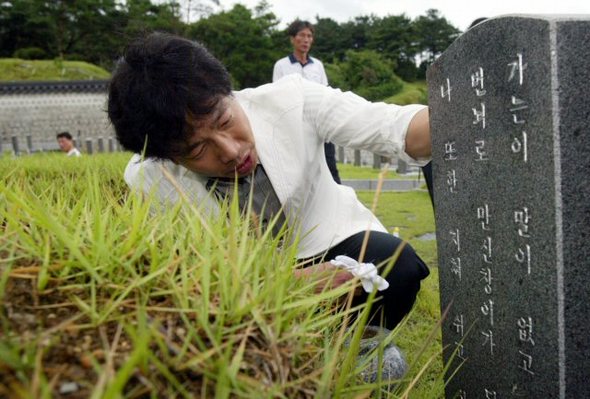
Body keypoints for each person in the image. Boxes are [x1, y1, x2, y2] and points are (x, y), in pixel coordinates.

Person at [108, 32, 431, 331]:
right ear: (167, 157)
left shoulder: (292, 100)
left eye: (224, 120)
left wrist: (466, 109)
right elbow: (181, 280)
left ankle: (359, 344)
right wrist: (285, 283)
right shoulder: (149, 180)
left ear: (230, 93)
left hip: (328, 241)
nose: (231, 151)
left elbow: (396, 127)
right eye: (197, 149)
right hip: (246, 279)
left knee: (394, 263)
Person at [273, 20, 341, 184]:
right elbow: (276, 96)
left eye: (309, 36)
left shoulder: (317, 65)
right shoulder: (282, 65)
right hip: (294, 125)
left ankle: (340, 204)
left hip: (319, 124)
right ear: (292, 38)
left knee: (330, 166)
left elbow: (326, 93)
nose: (306, 40)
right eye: (302, 35)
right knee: (296, 170)